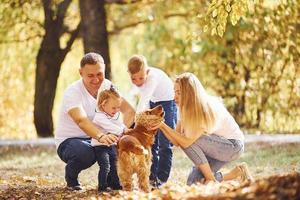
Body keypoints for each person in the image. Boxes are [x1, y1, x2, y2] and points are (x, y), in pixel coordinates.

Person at [148, 72, 253, 185]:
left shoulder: (204, 108)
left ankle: (211, 179)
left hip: (232, 147)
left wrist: (163, 125)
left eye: (178, 92)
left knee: (188, 139)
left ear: (189, 93)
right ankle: (237, 173)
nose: (175, 97)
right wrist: (161, 125)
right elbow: (176, 141)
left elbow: (186, 141)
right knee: (193, 182)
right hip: (214, 148)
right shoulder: (183, 108)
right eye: (175, 92)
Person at [55, 52, 135, 190]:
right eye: (90, 75)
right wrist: (101, 136)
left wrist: (119, 135)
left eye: (99, 74)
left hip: (97, 138)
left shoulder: (108, 87)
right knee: (87, 152)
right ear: (81, 73)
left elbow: (129, 111)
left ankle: (111, 182)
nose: (96, 80)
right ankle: (71, 179)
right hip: (70, 142)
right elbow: (81, 120)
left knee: (120, 147)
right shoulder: (73, 92)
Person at [127, 55, 177, 188]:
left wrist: (135, 123)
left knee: (165, 143)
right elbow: (132, 97)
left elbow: (144, 100)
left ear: (146, 71)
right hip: (153, 101)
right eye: (133, 79)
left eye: (141, 78)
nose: (137, 82)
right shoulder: (138, 80)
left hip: (167, 103)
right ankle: (152, 177)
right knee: (151, 142)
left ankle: (162, 178)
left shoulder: (153, 77)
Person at [91, 87, 126, 192]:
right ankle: (102, 185)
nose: (116, 110)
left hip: (112, 145)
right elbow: (111, 127)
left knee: (115, 164)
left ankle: (115, 183)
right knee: (105, 165)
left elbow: (120, 124)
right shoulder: (99, 117)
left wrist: (125, 128)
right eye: (114, 108)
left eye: (118, 107)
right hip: (100, 146)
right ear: (103, 104)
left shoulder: (115, 115)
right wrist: (124, 130)